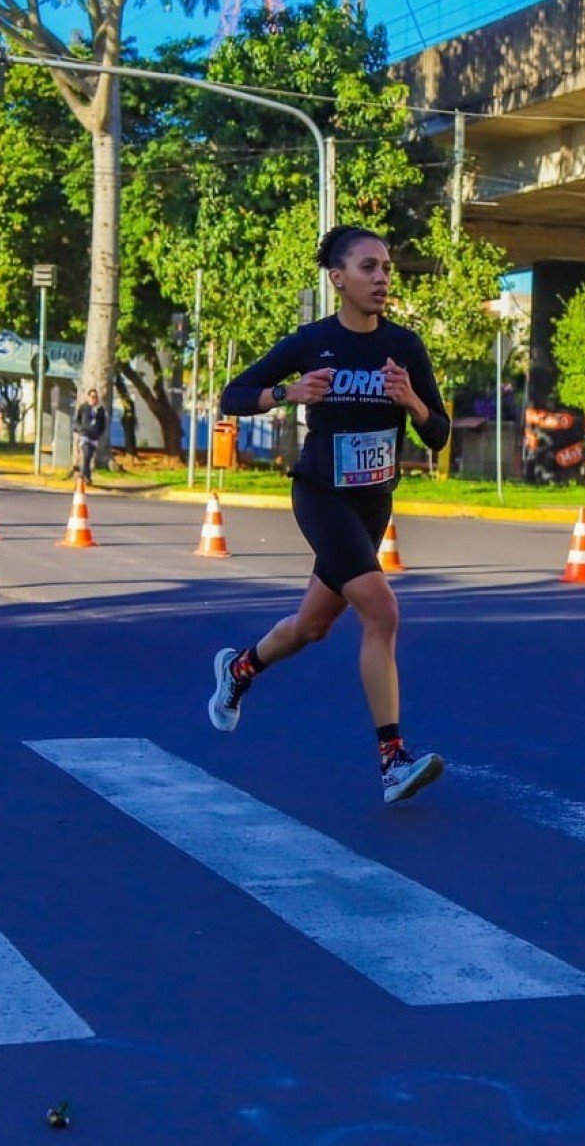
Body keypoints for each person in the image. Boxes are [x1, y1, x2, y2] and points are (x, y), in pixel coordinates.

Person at [208, 224, 451, 805]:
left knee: (313, 627)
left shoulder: (405, 348)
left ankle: (240, 670)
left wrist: (411, 401)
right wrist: (288, 395)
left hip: (373, 501)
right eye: (369, 268)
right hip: (320, 494)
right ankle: (393, 760)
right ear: (338, 279)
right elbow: (233, 395)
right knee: (382, 612)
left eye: (387, 268)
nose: (382, 278)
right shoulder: (312, 341)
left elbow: (438, 434)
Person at [71, 388, 108, 485]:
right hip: (84, 436)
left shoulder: (100, 410)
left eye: (95, 397)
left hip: (94, 438)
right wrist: (80, 429)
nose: (93, 399)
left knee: (89, 457)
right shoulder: (83, 407)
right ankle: (84, 476)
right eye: (92, 397)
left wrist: (99, 433)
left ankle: (86, 476)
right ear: (88, 397)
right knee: (86, 453)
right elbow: (76, 421)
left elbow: (103, 424)